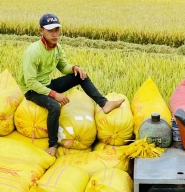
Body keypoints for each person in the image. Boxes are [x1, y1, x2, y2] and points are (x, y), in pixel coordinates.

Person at [16, 13, 124, 156]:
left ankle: (104, 104)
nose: (55, 34)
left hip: (46, 84)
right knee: (54, 106)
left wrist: (74, 68)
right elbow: (30, 81)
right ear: (41, 31)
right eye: (50, 30)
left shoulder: (57, 48)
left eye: (57, 30)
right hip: (32, 90)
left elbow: (63, 66)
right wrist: (54, 95)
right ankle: (53, 145)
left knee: (80, 75)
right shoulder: (33, 52)